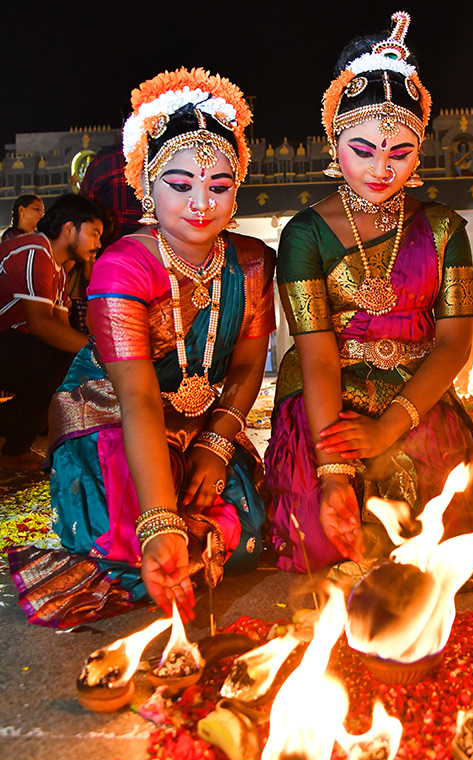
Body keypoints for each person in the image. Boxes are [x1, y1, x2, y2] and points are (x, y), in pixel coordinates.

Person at [9, 68, 275, 628]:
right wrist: (159, 521)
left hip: (202, 421)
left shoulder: (252, 262)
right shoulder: (124, 266)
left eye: (219, 185)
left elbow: (250, 362)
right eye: (180, 184)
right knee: (136, 546)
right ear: (147, 184)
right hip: (113, 415)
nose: (201, 202)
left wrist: (218, 443)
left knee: (254, 533)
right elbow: (136, 399)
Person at [265, 12, 473, 573]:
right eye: (362, 149)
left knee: (444, 550)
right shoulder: (304, 234)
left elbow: (454, 344)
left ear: (419, 153)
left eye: (401, 152)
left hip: (414, 395)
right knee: (321, 540)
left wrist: (391, 424)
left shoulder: (442, 229)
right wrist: (333, 467)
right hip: (325, 395)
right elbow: (315, 352)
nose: (381, 168)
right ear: (334, 142)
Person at [0, 194, 103, 470]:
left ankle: (11, 442)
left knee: (68, 370)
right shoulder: (36, 250)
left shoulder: (58, 272)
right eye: (94, 234)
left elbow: (61, 332)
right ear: (69, 228)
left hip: (9, 345)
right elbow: (42, 326)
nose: (98, 244)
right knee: (62, 364)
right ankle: (14, 450)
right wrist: (99, 351)